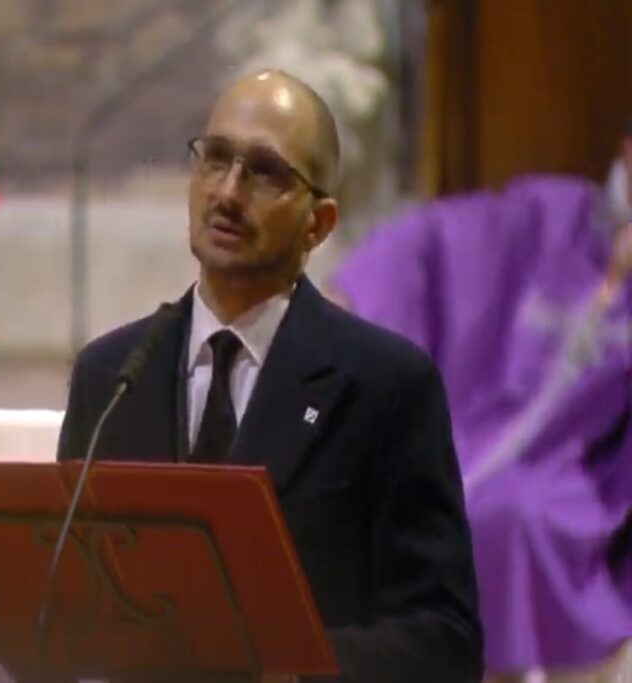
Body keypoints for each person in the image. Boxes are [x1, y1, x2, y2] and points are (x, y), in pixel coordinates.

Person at [57, 70, 484, 682]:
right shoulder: (111, 376)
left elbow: (445, 639)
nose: (228, 192)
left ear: (320, 223)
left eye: (265, 172)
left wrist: (295, 667)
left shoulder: (387, 386)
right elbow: (60, 609)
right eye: (216, 159)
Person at [329, 142, 632, 677]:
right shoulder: (554, 216)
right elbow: (441, 244)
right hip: (469, 432)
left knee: (513, 517)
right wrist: (351, 299)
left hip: (586, 480)